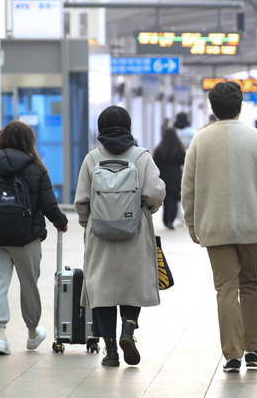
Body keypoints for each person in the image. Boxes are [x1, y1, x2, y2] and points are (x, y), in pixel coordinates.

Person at [182, 81, 257, 373]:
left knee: (226, 289)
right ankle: (253, 351)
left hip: (214, 228)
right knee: (251, 285)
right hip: (253, 225)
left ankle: (232, 355)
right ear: (240, 106)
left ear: (213, 109)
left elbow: (188, 188)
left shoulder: (200, 141)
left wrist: (191, 223)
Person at [74, 106, 166, 367]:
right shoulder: (142, 157)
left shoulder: (92, 158)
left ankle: (111, 350)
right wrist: (145, 211)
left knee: (101, 288)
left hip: (99, 233)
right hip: (134, 230)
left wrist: (89, 223)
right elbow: (155, 194)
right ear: (128, 126)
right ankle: (128, 329)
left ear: (101, 128)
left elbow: (81, 200)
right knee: (131, 284)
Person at [0, 121, 68, 356]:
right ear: (29, 142)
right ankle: (32, 334)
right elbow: (49, 204)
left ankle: (1, 337)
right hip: (27, 237)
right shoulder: (36, 168)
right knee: (29, 285)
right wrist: (61, 222)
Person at [153, 128, 186, 229]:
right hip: (175, 177)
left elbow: (155, 163)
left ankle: (167, 220)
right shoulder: (179, 148)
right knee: (175, 198)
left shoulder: (159, 149)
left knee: (167, 199)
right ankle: (171, 219)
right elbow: (183, 161)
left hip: (164, 177)